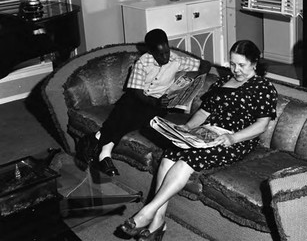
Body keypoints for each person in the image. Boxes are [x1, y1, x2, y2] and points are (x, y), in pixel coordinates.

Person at [117, 40, 278, 241]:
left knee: (187, 160)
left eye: (241, 65)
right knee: (170, 154)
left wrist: (232, 137)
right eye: (232, 64)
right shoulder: (222, 82)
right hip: (206, 133)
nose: (236, 70)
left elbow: (261, 125)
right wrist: (187, 128)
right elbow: (203, 112)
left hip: (234, 139)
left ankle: (147, 212)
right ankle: (157, 222)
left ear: (255, 62)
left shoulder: (263, 87)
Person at [76, 28, 211, 177]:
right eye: (161, 54)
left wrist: (194, 78)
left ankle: (99, 145)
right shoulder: (143, 62)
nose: (166, 57)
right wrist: (153, 102)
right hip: (137, 97)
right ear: (151, 52)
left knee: (137, 119)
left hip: (159, 104)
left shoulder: (176, 60)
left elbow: (205, 65)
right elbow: (137, 92)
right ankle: (105, 154)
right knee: (125, 116)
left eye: (167, 51)